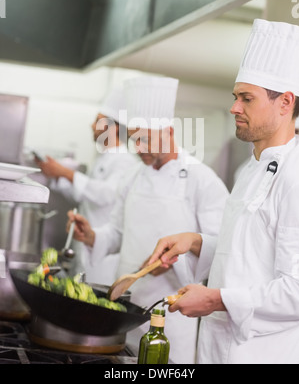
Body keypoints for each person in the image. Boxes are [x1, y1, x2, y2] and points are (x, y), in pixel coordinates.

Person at [147, 19, 299, 364]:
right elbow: (248, 255)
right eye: (236, 97)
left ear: (285, 102)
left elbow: (297, 289)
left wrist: (217, 300)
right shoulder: (248, 170)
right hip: (216, 348)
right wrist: (196, 241)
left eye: (247, 99)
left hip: (263, 354)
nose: (233, 107)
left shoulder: (297, 177)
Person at [68, 76, 229, 364]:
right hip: (124, 310)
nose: (138, 147)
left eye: (145, 139)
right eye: (133, 138)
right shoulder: (133, 175)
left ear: (168, 132)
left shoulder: (202, 180)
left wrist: (180, 258)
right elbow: (117, 230)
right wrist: (92, 235)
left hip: (172, 314)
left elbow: (223, 248)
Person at [36, 87, 138, 283]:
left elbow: (106, 194)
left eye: (97, 121)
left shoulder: (125, 160)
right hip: (83, 245)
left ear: (114, 127)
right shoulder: (102, 158)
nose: (92, 126)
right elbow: (83, 195)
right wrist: (55, 175)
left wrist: (65, 172)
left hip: (103, 255)